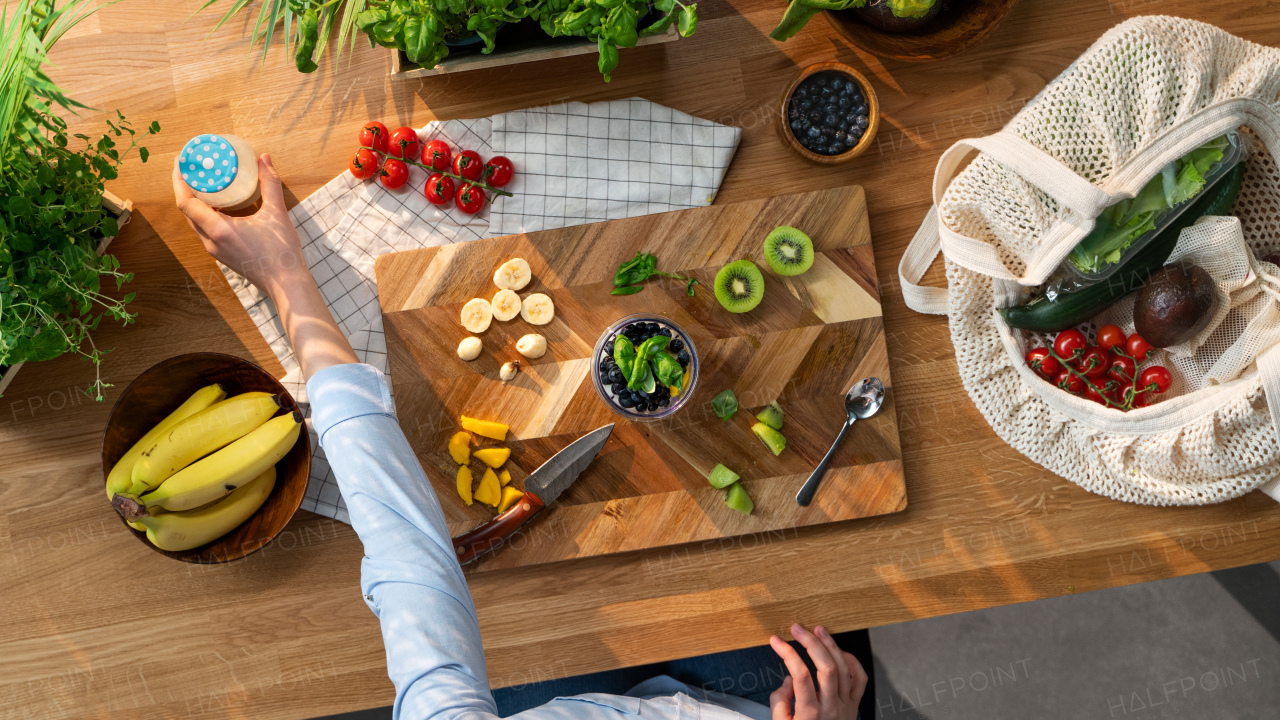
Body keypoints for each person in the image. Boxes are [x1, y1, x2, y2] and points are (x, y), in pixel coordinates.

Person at [173, 154, 869, 720]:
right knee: (833, 632)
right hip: (752, 704)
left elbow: (411, 561)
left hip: (561, 692)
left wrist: (286, 277)